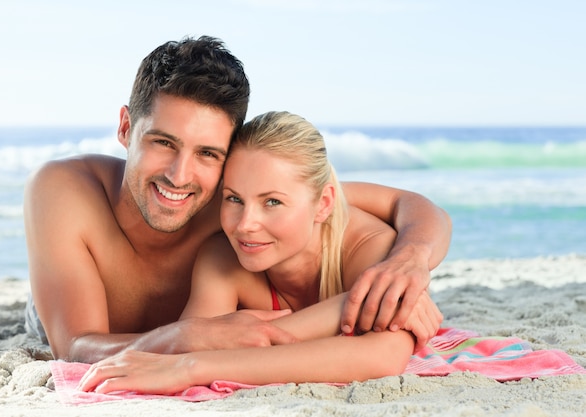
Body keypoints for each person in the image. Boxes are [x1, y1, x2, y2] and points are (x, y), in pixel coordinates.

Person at [24, 35, 451, 363]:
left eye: (208, 153)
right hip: (60, 311)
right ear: (125, 127)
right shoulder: (65, 191)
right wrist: (184, 336)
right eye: (163, 142)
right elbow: (75, 347)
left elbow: (408, 204)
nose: (180, 175)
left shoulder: (235, 205)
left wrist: (407, 262)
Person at [78, 111, 443, 394]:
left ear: (323, 204)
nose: (245, 224)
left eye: (272, 202)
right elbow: (196, 339)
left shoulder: (369, 245)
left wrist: (194, 369)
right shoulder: (222, 259)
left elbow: (381, 356)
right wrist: (350, 305)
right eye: (234, 198)